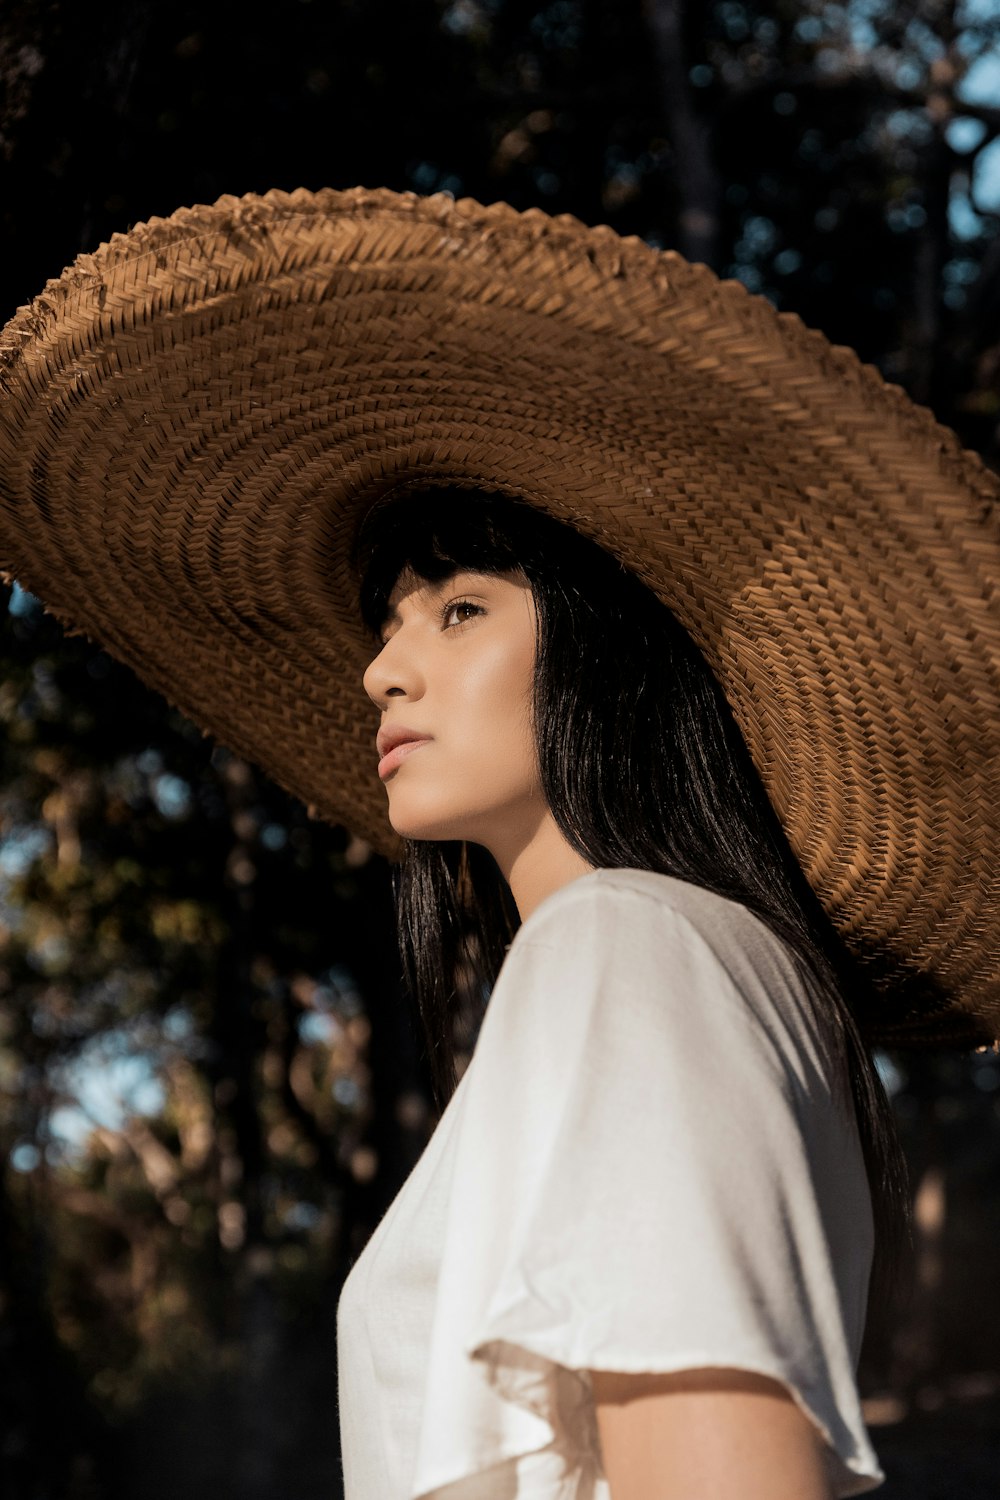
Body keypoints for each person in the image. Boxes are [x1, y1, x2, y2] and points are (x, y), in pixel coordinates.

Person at [0, 185, 997, 1500]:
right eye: (386, 619)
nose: (380, 674)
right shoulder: (700, 964)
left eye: (459, 608)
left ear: (611, 655)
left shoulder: (628, 945)